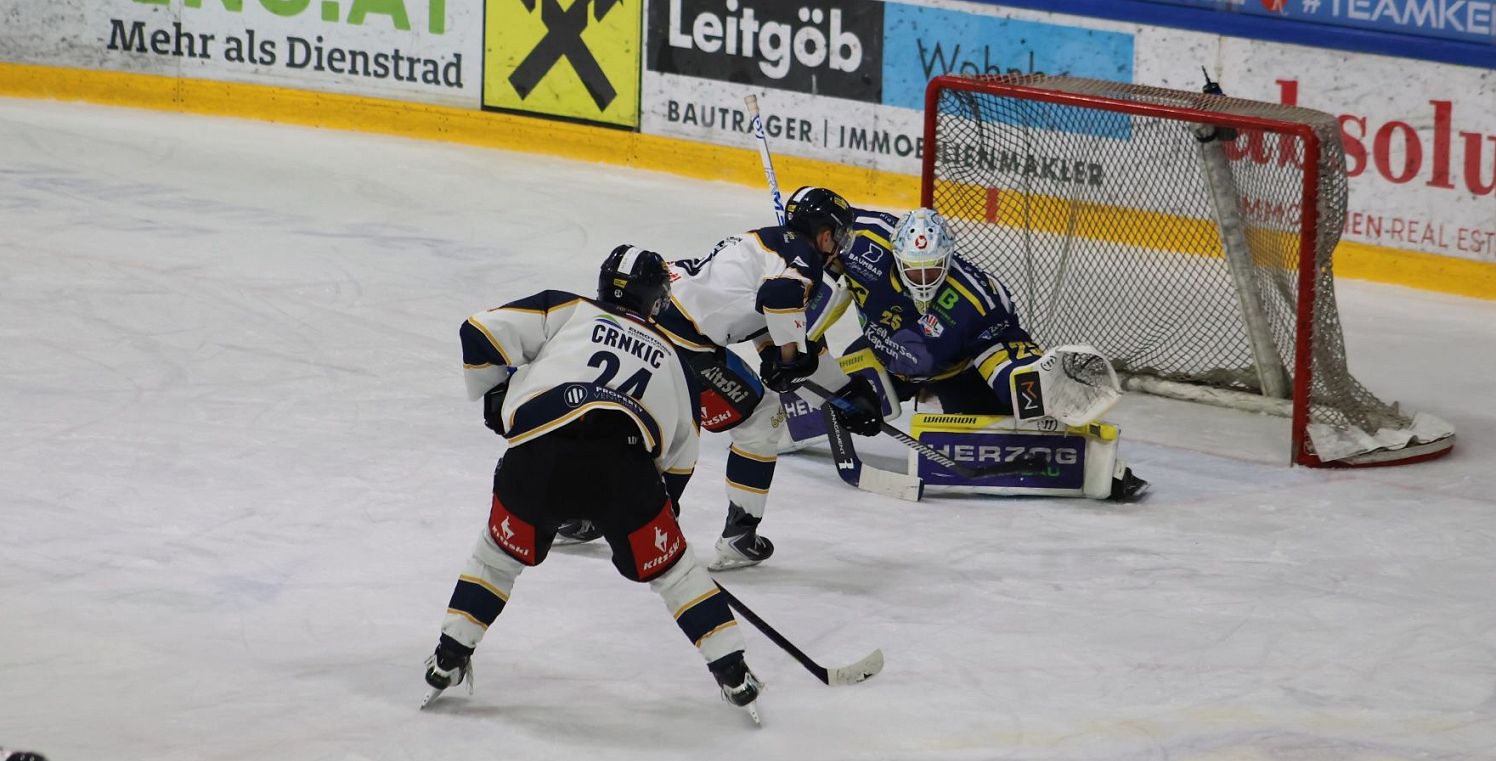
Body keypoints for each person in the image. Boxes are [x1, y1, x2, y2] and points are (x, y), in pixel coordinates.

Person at [422, 245, 761, 717]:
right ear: (657, 299)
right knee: (678, 573)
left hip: (538, 455)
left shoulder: (568, 309)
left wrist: (493, 397)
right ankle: (734, 674)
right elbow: (680, 461)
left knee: (496, 558)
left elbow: (478, 331)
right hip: (624, 469)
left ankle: (448, 659)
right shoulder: (678, 364)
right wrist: (659, 518)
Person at [627, 187, 883, 571]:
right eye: (840, 236)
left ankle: (575, 512)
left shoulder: (768, 243)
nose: (840, 246)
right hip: (682, 339)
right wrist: (789, 359)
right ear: (826, 235)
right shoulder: (804, 259)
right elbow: (779, 298)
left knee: (638, 425)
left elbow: (765, 320)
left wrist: (842, 394)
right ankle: (738, 536)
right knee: (762, 417)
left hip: (653, 318)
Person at [818, 203, 1147, 499]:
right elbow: (820, 239)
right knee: (829, 391)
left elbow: (1002, 350)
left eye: (931, 269)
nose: (921, 279)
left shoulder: (978, 300)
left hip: (953, 372)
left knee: (1008, 413)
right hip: (882, 355)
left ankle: (1091, 456)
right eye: (913, 269)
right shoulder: (860, 243)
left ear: (948, 259)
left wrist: (1029, 380)